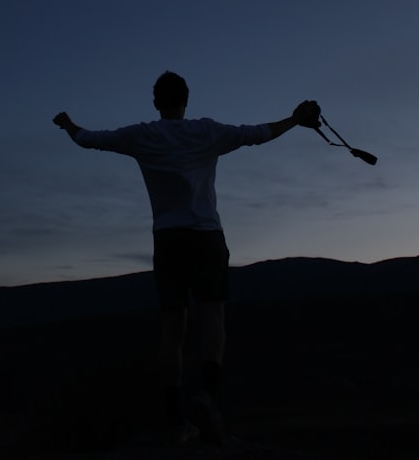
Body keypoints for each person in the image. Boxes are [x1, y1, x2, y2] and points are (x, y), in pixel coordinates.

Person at [53, 71, 320, 445]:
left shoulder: (141, 135)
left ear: (155, 102)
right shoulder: (207, 132)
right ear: (186, 100)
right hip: (208, 237)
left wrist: (67, 124)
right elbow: (256, 134)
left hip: (168, 240)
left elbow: (87, 140)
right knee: (213, 317)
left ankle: (176, 423)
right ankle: (209, 398)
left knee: (173, 330)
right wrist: (295, 119)